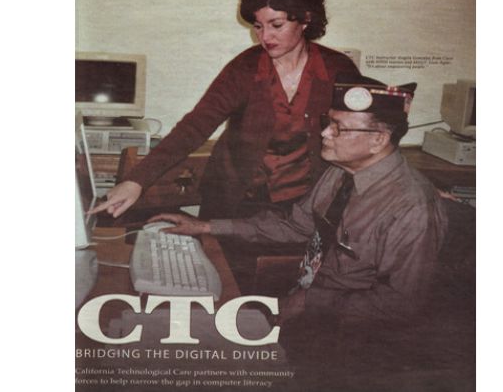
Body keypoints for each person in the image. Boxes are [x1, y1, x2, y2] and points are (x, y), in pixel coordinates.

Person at [149, 73, 448, 346]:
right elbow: (294, 226)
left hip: (351, 333)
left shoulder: (411, 207)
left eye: (339, 128)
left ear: (378, 140)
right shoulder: (341, 172)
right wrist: (206, 226)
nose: (325, 133)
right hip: (304, 300)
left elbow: (401, 304)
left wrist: (311, 302)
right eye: (328, 122)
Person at [90, 0, 360, 221]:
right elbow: (195, 126)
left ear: (305, 18)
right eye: (258, 26)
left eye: (276, 25)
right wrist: (136, 181)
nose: (265, 37)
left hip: (307, 205)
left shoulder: (337, 69)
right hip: (236, 204)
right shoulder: (245, 68)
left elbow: (363, 132)